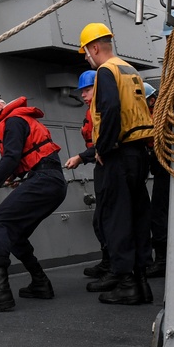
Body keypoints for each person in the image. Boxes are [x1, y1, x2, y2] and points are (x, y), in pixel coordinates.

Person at [0, 91, 68, 313]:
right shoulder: (19, 120)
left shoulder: (12, 121)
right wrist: (15, 176)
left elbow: (11, 158)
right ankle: (40, 283)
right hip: (51, 182)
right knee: (16, 234)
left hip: (45, 180)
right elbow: (23, 157)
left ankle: (1, 291)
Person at [78, 22, 154, 305]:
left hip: (118, 155)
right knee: (137, 216)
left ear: (94, 48)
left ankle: (126, 284)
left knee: (116, 218)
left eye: (86, 52)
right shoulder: (129, 69)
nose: (86, 57)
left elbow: (110, 108)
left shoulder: (106, 71)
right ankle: (141, 282)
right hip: (137, 154)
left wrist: (103, 146)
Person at [63, 70, 109, 278]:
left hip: (110, 164)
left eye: (87, 89)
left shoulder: (103, 110)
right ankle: (110, 262)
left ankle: (116, 266)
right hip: (101, 164)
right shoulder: (92, 110)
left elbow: (105, 140)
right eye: (82, 91)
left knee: (107, 219)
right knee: (101, 220)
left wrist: (81, 157)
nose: (83, 94)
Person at [143, 82, 169, 278]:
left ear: (151, 100)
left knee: (158, 213)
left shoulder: (160, 116)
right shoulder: (158, 112)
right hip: (161, 166)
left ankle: (162, 260)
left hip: (166, 166)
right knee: (158, 212)